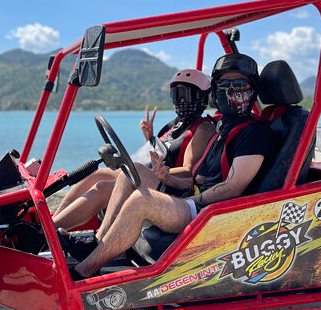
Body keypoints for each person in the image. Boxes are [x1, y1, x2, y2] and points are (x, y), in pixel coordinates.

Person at [71, 52, 278, 279]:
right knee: (135, 171)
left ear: (252, 90)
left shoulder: (254, 133)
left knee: (142, 199)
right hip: (196, 200)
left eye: (238, 83)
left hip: (213, 212)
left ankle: (84, 272)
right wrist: (168, 179)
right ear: (215, 90)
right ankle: (99, 243)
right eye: (223, 83)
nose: (230, 89)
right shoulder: (223, 129)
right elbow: (198, 179)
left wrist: (188, 200)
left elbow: (233, 188)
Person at [52, 69, 216, 232]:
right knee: (96, 174)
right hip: (151, 176)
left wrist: (154, 173)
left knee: (103, 188)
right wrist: (150, 138)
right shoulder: (175, 125)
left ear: (200, 97)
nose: (180, 100)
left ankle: (50, 233)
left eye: (185, 95)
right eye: (176, 95)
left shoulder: (203, 128)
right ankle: (49, 224)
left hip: (172, 188)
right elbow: (164, 153)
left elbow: (188, 171)